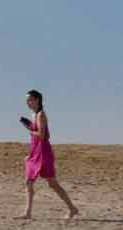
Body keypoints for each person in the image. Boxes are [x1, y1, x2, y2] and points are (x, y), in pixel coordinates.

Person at [17, 89, 79, 221]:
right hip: (35, 152)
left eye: (30, 100)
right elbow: (36, 138)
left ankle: (72, 208)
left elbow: (42, 135)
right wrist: (30, 153)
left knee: (52, 183)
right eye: (27, 100)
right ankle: (27, 212)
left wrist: (29, 130)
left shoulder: (41, 115)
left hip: (44, 152)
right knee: (29, 181)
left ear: (37, 100)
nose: (28, 103)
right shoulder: (34, 115)